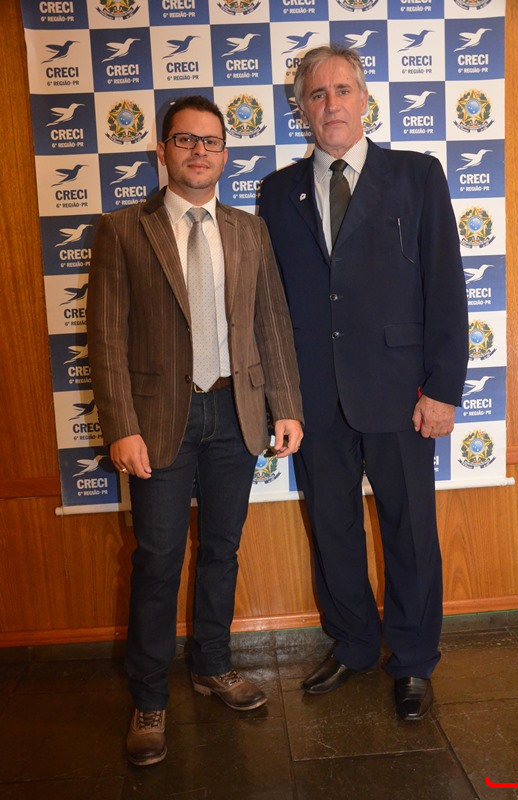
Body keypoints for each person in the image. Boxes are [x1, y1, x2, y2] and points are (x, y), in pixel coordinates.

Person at [87, 95, 303, 766]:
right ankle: (149, 699)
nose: (199, 151)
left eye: (210, 142)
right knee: (157, 561)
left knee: (222, 549)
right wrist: (121, 426)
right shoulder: (122, 230)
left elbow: (272, 323)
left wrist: (286, 406)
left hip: (235, 413)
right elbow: (106, 338)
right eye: (185, 140)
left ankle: (212, 664)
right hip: (159, 421)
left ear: (225, 154)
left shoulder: (249, 230)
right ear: (163, 151)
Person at [259, 46, 469, 721]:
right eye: (317, 95)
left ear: (365, 99)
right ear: (302, 109)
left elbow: (446, 286)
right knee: (333, 529)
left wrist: (444, 388)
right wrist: (280, 398)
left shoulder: (416, 175)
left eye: (342, 90)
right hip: (314, 398)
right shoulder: (277, 193)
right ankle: (351, 644)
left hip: (402, 394)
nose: (332, 105)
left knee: (411, 532)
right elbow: (272, 306)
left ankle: (412, 660)